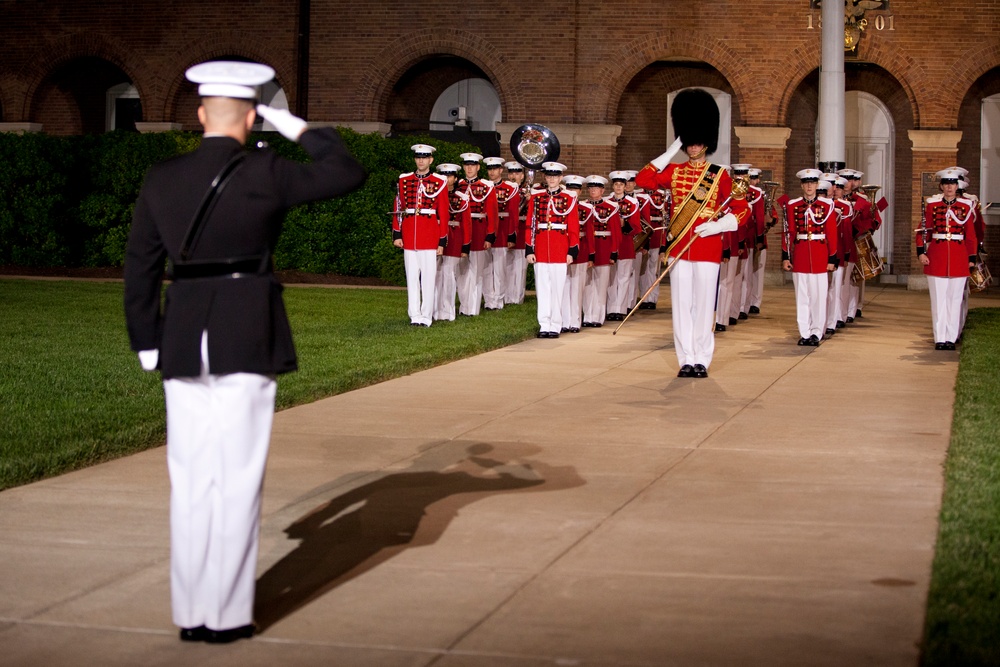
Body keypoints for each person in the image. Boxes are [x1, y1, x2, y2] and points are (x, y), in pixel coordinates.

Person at [123, 60, 365, 643]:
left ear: (201, 114)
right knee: (237, 478)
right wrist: (299, 129)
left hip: (180, 336)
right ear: (252, 115)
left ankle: (190, 614)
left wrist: (147, 342)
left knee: (190, 478)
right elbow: (346, 172)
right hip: (245, 329)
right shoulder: (268, 171)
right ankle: (225, 615)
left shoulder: (163, 177)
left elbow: (140, 268)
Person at [635, 88, 749, 378]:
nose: (694, 148)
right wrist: (673, 147)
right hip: (679, 246)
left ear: (706, 142)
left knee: (703, 306)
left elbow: (742, 209)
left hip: (707, 245)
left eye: (697, 142)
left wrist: (719, 225)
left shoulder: (720, 174)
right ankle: (685, 358)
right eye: (689, 142)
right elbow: (643, 178)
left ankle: (702, 358)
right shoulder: (673, 171)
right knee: (681, 306)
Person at [917, 168, 978, 349]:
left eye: (952, 184)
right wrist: (921, 252)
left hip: (959, 256)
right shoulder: (932, 207)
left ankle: (951, 337)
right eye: (946, 184)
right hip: (937, 255)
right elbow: (923, 231)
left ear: (957, 186)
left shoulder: (965, 208)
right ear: (941, 186)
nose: (949, 187)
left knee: (955, 299)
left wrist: (972, 257)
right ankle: (940, 338)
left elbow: (971, 236)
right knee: (938, 300)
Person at [394, 144, 450, 326]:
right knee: (411, 278)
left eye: (424, 157)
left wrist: (442, 239)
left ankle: (426, 316)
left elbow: (443, 212)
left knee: (428, 278)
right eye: (418, 157)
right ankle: (414, 315)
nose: (421, 160)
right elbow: (399, 208)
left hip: (429, 235)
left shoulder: (439, 181)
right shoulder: (404, 180)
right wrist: (397, 234)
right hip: (410, 235)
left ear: (431, 160)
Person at [782, 169, 837, 346]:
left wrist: (832, 258)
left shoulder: (827, 206)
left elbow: (831, 233)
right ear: (802, 185)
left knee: (818, 297)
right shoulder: (793, 205)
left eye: (812, 183)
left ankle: (816, 332)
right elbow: (789, 233)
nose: (809, 186)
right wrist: (786, 256)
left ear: (817, 185)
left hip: (820, 254)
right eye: (806, 183)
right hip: (800, 254)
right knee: (802, 296)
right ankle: (804, 332)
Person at [526, 161, 579, 337]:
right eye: (549, 176)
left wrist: (572, 250)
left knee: (558, 289)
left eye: (555, 176)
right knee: (543, 289)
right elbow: (530, 225)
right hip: (540, 248)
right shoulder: (537, 197)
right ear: (545, 177)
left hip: (560, 248)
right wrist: (529, 249)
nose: (552, 179)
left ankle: (555, 325)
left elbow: (573, 226)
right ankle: (544, 324)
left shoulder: (569, 198)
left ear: (561, 177)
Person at [456, 153, 498, 316]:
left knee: (476, 270)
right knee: (461, 270)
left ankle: (472, 308)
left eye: (472, 165)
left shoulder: (486, 186)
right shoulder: (458, 185)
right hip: (461, 230)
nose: (469, 168)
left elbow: (492, 213)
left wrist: (490, 235)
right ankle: (464, 305)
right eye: (466, 165)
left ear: (478, 167)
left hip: (479, 229)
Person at [581, 175, 621, 327]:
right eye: (590, 188)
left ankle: (598, 317)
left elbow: (616, 231)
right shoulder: (583, 205)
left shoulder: (611, 207)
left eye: (596, 188)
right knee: (587, 284)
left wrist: (614, 251)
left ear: (602, 190)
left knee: (601, 283)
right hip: (587, 247)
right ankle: (588, 316)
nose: (593, 190)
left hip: (604, 245)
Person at [434, 163, 471, 321]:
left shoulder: (462, 198)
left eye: (450, 176)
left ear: (455, 178)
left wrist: (466, 245)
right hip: (436, 236)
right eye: (444, 175)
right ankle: (435, 309)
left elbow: (467, 223)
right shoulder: (433, 195)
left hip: (454, 237)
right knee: (435, 274)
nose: (446, 179)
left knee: (449, 274)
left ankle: (448, 311)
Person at [605, 170, 640, 321]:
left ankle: (620, 309)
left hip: (625, 243)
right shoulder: (606, 201)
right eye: (616, 184)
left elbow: (636, 227)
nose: (618, 187)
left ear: (626, 186)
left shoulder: (632, 203)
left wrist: (624, 223)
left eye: (621, 184)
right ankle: (611, 308)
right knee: (611, 278)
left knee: (624, 277)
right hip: (610, 243)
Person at [484, 156, 515, 310]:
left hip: (502, 230)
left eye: (495, 169)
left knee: (499, 268)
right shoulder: (482, 187)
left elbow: (513, 213)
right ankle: (488, 300)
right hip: (485, 229)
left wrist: (511, 234)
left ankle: (499, 299)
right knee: (486, 268)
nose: (492, 172)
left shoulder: (509, 189)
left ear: (501, 170)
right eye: (490, 169)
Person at [561, 175, 591, 332]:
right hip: (563, 250)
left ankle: (575, 321)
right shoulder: (560, 206)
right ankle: (564, 321)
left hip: (581, 250)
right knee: (564, 288)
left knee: (577, 289)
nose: (572, 191)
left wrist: (591, 255)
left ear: (580, 192)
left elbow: (590, 234)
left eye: (575, 189)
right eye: (570, 188)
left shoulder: (586, 209)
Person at [504, 161, 529, 304]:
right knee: (507, 264)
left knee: (520, 265)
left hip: (522, 227)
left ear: (523, 175)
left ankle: (517, 296)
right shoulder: (506, 190)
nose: (514, 176)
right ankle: (507, 295)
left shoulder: (527, 191)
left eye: (517, 173)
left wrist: (528, 200)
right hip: (508, 226)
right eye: (512, 173)